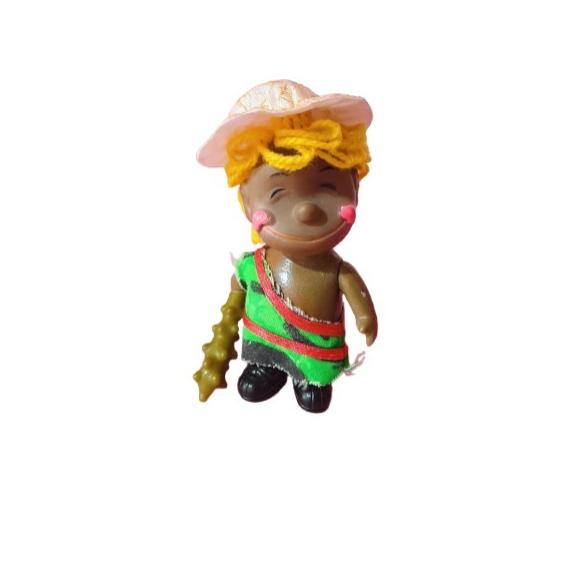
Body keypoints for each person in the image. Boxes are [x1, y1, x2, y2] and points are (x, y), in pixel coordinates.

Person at [194, 80, 377, 413]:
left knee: (313, 376)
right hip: (264, 337)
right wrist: (231, 308)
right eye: (278, 194)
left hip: (315, 349)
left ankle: (310, 378)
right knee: (262, 355)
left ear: (354, 185)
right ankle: (266, 367)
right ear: (247, 203)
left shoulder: (336, 270)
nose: (306, 211)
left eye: (327, 186)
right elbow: (239, 285)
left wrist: (365, 315)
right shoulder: (255, 264)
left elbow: (355, 291)